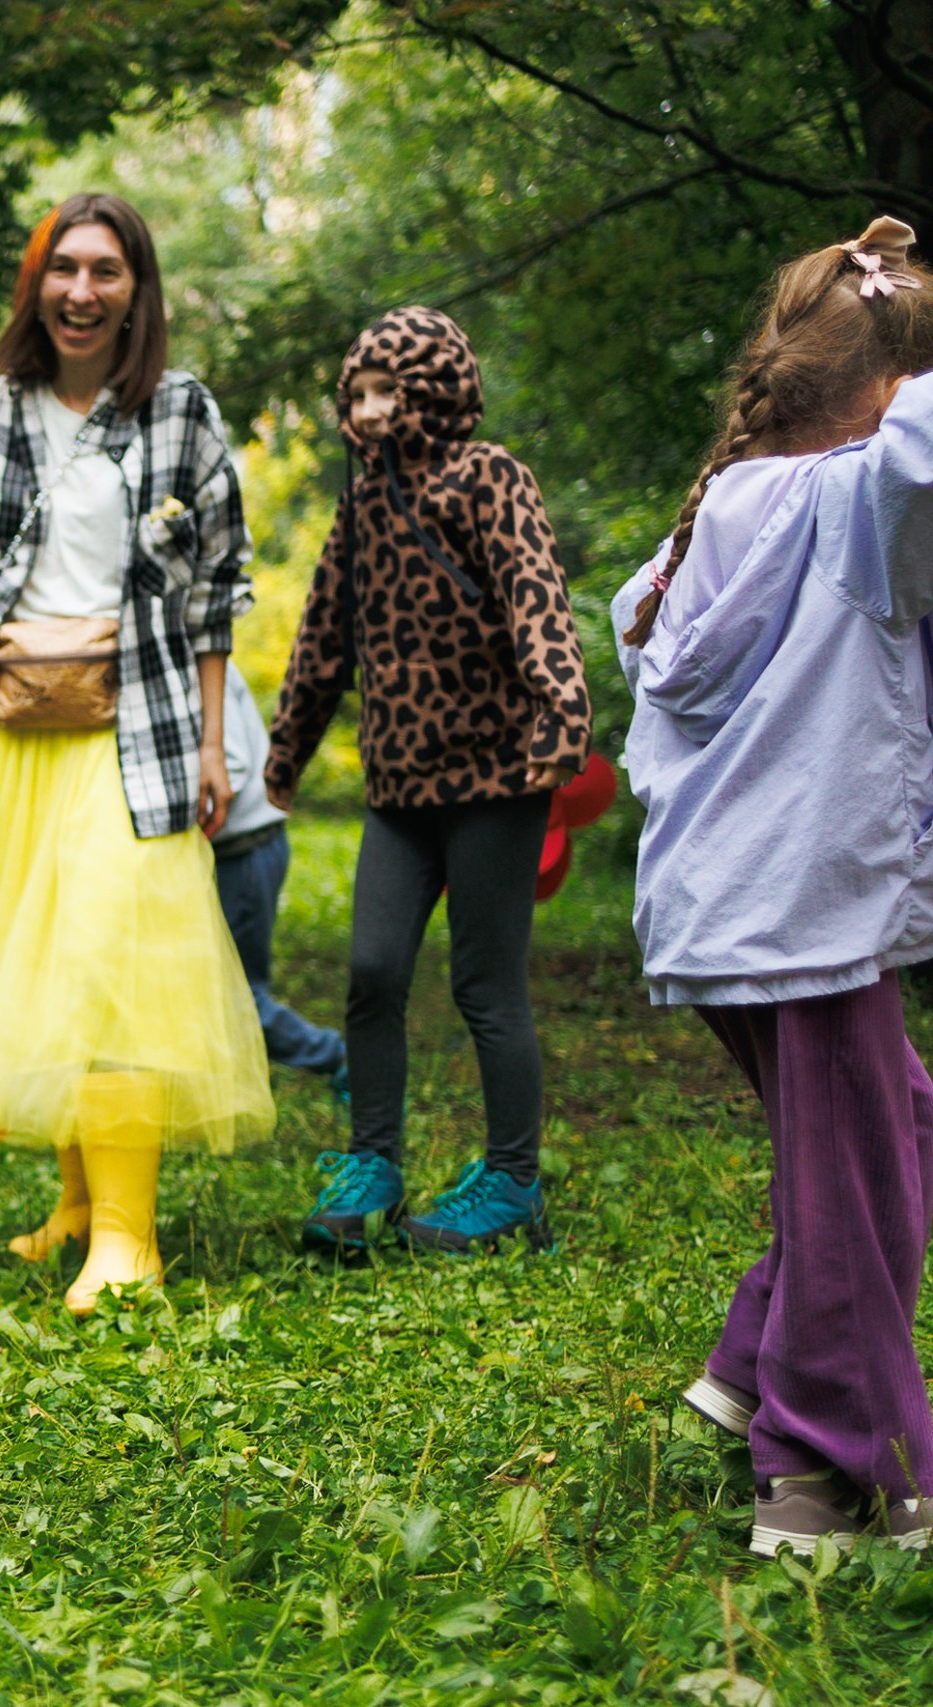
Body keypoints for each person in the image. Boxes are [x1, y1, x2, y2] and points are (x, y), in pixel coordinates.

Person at [0, 192, 274, 1316]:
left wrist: (211, 739)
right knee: (39, 966)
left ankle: (127, 1237)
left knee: (111, 964)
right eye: (63, 269)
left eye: (106, 271)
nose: (82, 292)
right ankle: (73, 1203)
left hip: (133, 727)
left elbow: (215, 590)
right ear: (34, 285)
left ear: (137, 290)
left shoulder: (180, 413)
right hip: (9, 732)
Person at [613, 217, 933, 1559]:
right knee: (861, 1186)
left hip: (723, 917)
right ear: (877, 397)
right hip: (801, 922)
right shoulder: (858, 502)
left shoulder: (721, 512)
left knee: (892, 1136)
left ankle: (750, 1362)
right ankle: (823, 1473)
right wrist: (903, 363)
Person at [266, 307, 592, 1258]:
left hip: (497, 777)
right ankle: (373, 1162)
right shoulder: (361, 505)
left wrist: (560, 713)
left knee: (487, 984)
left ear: (431, 393)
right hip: (401, 790)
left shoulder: (491, 478)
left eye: (383, 393)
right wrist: (283, 759)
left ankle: (514, 1181)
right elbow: (322, 640)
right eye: (354, 396)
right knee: (371, 973)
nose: (364, 413)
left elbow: (538, 600)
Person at [210, 661, 346, 1089]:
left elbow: (229, 767)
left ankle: (337, 1056)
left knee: (236, 995)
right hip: (229, 849)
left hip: (245, 849)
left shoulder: (204, 666)